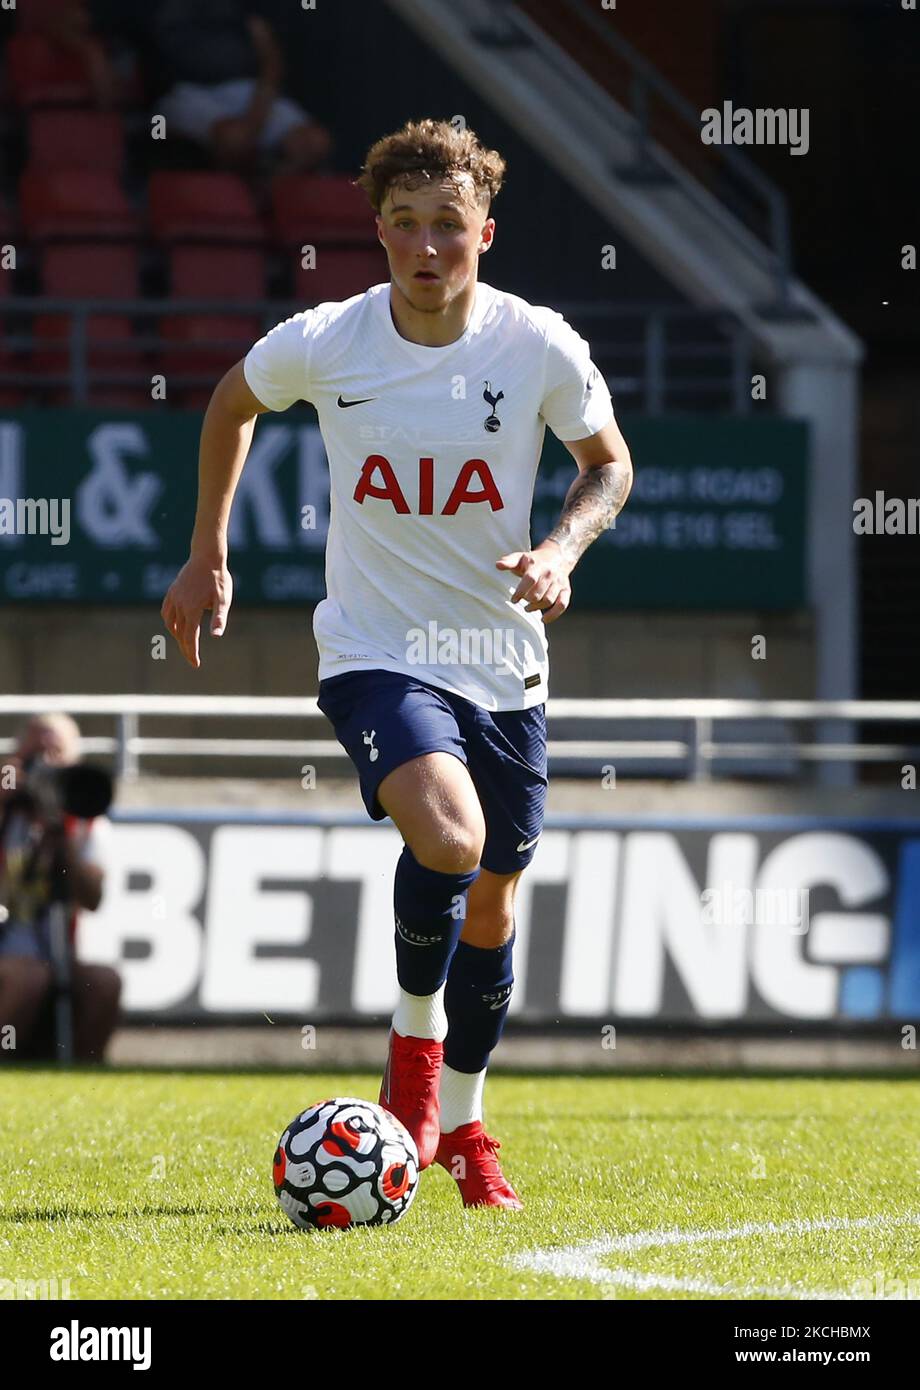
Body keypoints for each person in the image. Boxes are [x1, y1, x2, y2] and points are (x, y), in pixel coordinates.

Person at [161, 118, 633, 1207]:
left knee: (492, 899)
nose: (427, 249)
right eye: (406, 227)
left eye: (449, 229)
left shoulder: (538, 346)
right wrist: (206, 551)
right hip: (377, 651)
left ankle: (464, 1126)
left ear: (484, 232)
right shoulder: (330, 340)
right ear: (377, 231)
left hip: (500, 658)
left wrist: (560, 550)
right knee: (450, 835)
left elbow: (605, 465)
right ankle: (412, 1073)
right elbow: (233, 398)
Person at [0, 713, 120, 1064]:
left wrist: (62, 839)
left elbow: (93, 898)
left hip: (54, 955)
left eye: (57, 754)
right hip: (11, 953)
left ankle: (78, 1072)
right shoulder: (7, 811)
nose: (46, 766)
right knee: (29, 976)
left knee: (104, 983)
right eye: (37, 754)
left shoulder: (85, 824)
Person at [143, 0, 332, 175]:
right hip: (183, 92)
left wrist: (253, 121)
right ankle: (222, 201)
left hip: (245, 90)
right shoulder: (162, 9)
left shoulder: (244, 8)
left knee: (315, 142)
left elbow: (271, 62)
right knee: (234, 140)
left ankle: (263, 197)